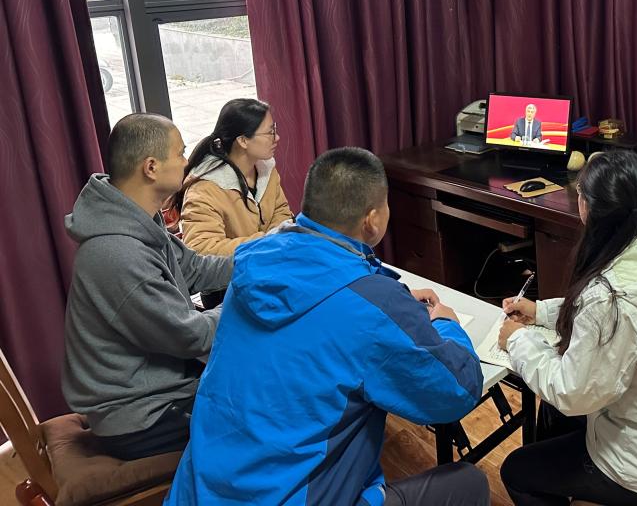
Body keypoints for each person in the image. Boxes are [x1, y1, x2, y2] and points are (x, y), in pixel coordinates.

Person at [167, 147, 489, 506]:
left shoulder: (255, 261)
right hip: (289, 498)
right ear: (372, 220)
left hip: (199, 490)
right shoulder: (371, 307)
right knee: (469, 483)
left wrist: (383, 298)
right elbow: (457, 391)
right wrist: (445, 323)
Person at [498, 149, 637, 505]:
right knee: (551, 411)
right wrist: (541, 312)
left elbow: (573, 393)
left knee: (516, 472)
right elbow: (611, 317)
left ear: (586, 207)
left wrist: (518, 340)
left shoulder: (610, 301)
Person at [62, 114, 233, 460]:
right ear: (151, 167)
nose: (187, 162)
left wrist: (260, 260)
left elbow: (195, 269)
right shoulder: (118, 254)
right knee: (277, 410)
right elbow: (192, 336)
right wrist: (246, 301)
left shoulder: (137, 219)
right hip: (142, 415)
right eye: (181, 153)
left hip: (161, 390)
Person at [168, 98, 292, 307]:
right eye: (270, 132)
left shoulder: (266, 169)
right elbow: (202, 250)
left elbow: (282, 213)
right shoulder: (205, 188)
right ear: (243, 141)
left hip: (267, 272)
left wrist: (274, 243)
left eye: (275, 129)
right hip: (226, 288)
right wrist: (267, 243)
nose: (277, 137)